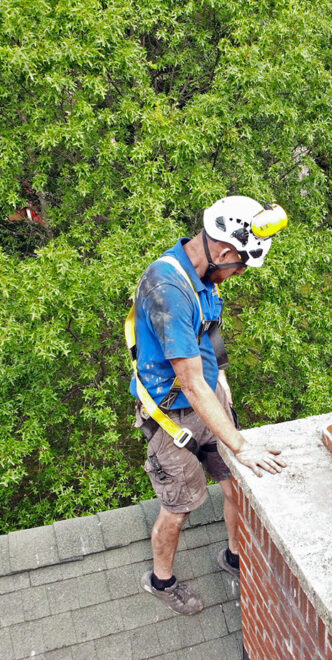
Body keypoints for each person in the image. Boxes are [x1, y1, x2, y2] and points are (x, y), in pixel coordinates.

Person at [128, 196, 288, 615]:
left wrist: (225, 380)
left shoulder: (205, 277)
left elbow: (209, 334)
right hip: (174, 413)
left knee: (236, 484)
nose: (238, 275)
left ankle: (234, 557)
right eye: (239, 267)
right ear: (223, 251)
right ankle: (162, 581)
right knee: (180, 505)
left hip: (205, 397)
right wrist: (241, 443)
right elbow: (191, 383)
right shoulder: (169, 288)